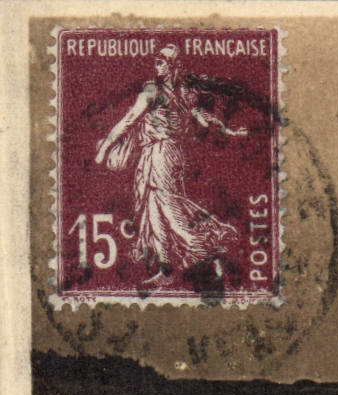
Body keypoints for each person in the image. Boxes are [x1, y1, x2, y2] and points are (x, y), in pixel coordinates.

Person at [93, 45, 247, 286]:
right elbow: (204, 118)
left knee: (169, 208)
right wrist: (229, 130)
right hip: (167, 154)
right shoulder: (185, 94)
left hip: (160, 153)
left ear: (172, 65)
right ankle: (166, 268)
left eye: (162, 62)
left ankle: (209, 249)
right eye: (156, 62)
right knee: (153, 209)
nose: (158, 66)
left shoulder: (153, 92)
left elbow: (130, 120)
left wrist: (104, 149)